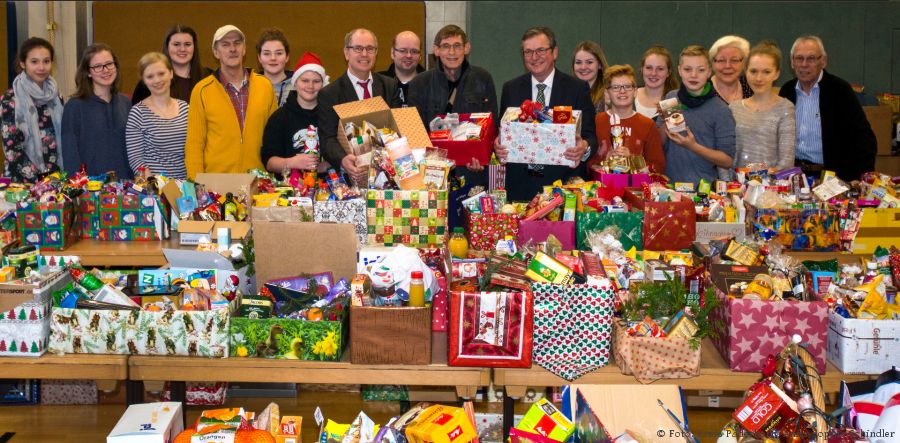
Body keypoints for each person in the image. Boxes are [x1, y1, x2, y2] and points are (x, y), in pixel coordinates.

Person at [493, 26, 597, 201]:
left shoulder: (577, 88)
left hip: (564, 186)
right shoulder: (510, 88)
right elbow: (502, 131)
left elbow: (591, 135)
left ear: (554, 52)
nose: (534, 57)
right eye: (528, 52)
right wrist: (498, 145)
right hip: (520, 186)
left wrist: (583, 147)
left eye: (541, 50)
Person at [184, 25, 278, 180]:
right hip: (216, 185)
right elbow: (194, 144)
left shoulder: (265, 86)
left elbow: (274, 138)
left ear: (244, 49)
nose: (232, 49)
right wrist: (196, 185)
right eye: (225, 44)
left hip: (258, 182)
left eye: (237, 43)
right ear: (216, 52)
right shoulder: (202, 90)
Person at [779, 35, 876, 181]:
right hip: (794, 176)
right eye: (799, 58)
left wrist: (855, 179)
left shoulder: (840, 91)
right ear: (792, 62)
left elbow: (864, 140)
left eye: (811, 58)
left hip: (833, 178)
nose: (804, 64)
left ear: (823, 61)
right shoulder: (786, 91)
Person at [406, 24, 498, 174]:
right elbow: (416, 132)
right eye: (446, 46)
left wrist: (482, 156)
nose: (452, 52)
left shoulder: (483, 78)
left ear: (467, 48)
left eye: (457, 46)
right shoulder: (419, 83)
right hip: (432, 170)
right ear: (436, 50)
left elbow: (491, 125)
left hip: (471, 168)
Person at [318, 28, 402, 184]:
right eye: (358, 48)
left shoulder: (390, 86)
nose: (364, 54)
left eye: (370, 49)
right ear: (346, 53)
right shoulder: (329, 93)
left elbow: (398, 128)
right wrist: (343, 159)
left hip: (388, 175)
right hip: (350, 179)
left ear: (376, 53)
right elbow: (327, 139)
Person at [659, 45, 735, 184]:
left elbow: (727, 161)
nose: (693, 75)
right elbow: (658, 143)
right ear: (679, 71)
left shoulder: (720, 109)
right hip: (668, 187)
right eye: (688, 69)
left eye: (700, 70)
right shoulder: (671, 98)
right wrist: (665, 122)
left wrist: (693, 147)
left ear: (709, 73)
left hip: (701, 191)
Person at [62, 43, 133, 179]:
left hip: (126, 186)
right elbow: (70, 153)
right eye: (97, 66)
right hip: (91, 188)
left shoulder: (126, 103)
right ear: (88, 72)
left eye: (109, 64)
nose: (105, 70)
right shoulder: (74, 106)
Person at [1, 37, 64, 182]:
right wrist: (39, 179)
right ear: (23, 63)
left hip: (56, 179)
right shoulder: (10, 98)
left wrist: (54, 179)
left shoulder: (56, 95)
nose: (41, 67)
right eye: (34, 61)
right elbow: (11, 149)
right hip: (22, 181)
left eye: (46, 61)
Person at [261, 52, 330, 179]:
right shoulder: (279, 118)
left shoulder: (330, 116)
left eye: (316, 81)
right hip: (288, 192)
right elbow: (269, 162)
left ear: (323, 84)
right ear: (295, 82)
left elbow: (342, 153)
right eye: (305, 80)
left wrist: (327, 165)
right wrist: (292, 163)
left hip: (325, 190)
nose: (310, 86)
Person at [729, 41, 795, 170]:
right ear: (745, 72)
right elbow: (726, 156)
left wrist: (763, 182)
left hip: (771, 187)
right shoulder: (733, 108)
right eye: (753, 71)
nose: (759, 78)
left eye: (766, 72)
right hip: (735, 187)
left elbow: (786, 162)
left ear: (776, 73)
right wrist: (728, 185)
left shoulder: (785, 108)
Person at [590, 64, 665, 173]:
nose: (622, 91)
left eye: (627, 86)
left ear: (635, 91)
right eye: (615, 87)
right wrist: (606, 161)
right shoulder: (596, 122)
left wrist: (633, 160)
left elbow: (658, 166)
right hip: (602, 188)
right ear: (607, 93)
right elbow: (586, 164)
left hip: (636, 188)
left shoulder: (647, 125)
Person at [125, 52, 189, 179]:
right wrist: (155, 185)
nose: (157, 80)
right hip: (155, 191)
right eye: (150, 76)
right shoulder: (138, 113)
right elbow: (136, 159)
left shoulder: (186, 108)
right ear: (144, 81)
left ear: (171, 73)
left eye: (161, 74)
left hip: (187, 188)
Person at [131, 25, 210, 104]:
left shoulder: (210, 77)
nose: (182, 49)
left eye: (187, 44)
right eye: (176, 44)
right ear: (167, 47)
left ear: (194, 47)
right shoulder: (151, 82)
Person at [377, 31, 424, 105]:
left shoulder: (431, 83)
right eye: (403, 51)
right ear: (392, 53)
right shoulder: (377, 82)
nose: (409, 55)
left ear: (420, 55)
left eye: (414, 51)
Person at [634, 45, 679, 119]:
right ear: (642, 69)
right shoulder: (629, 96)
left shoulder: (671, 102)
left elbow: (675, 130)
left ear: (668, 72)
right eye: (649, 68)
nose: (653, 73)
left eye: (660, 69)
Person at [709, 35, 753, 104]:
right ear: (712, 63)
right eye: (721, 60)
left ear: (744, 63)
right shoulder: (703, 91)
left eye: (734, 60)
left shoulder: (751, 86)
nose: (728, 66)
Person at [256, 27, 293, 106]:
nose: (273, 58)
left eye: (279, 53)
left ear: (287, 57)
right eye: (267, 53)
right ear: (259, 58)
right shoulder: (250, 87)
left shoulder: (299, 87)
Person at [571, 41, 609, 114]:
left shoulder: (608, 93)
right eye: (578, 62)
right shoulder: (567, 92)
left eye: (589, 62)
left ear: (600, 64)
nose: (583, 67)